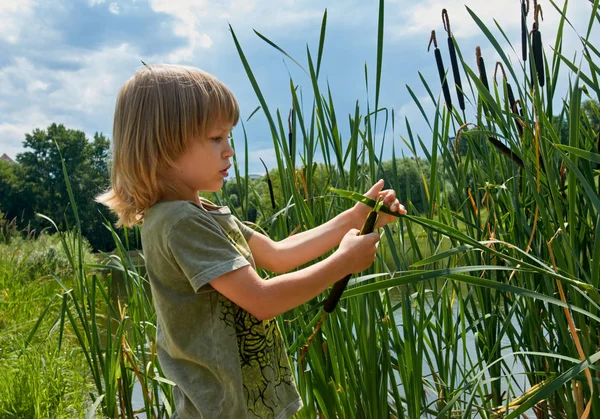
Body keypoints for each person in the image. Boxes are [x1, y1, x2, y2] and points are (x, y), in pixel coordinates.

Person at [97, 64, 406, 419]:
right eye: (216, 139)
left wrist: (352, 219)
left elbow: (277, 254)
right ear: (164, 146)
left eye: (228, 137)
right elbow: (261, 299)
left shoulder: (201, 212)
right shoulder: (179, 222)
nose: (229, 151)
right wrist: (343, 262)